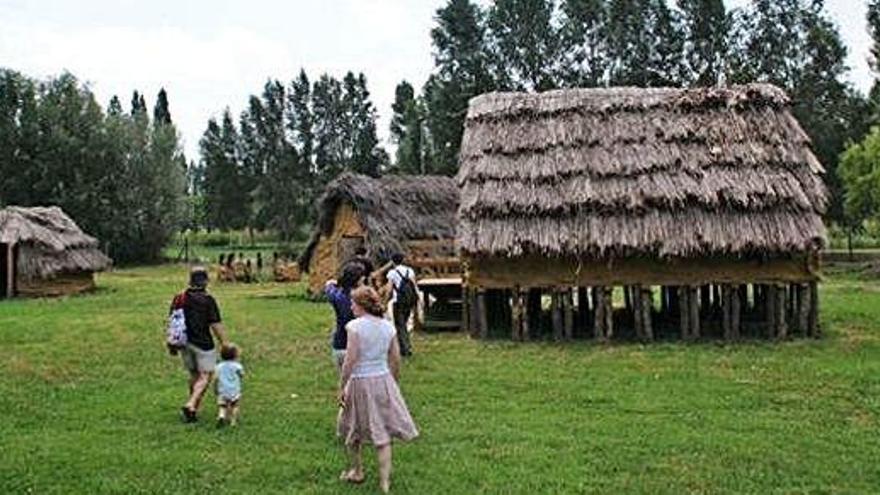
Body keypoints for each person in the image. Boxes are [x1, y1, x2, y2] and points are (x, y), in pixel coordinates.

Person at [337, 286, 418, 493]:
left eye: (353, 303)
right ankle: (385, 483)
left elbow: (350, 359)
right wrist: (393, 382)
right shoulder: (387, 327)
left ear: (362, 305)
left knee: (352, 429)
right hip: (383, 379)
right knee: (383, 435)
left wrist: (342, 384)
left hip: (360, 381)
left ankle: (357, 471)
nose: (351, 306)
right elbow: (396, 358)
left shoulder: (354, 327)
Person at [174, 267, 228, 423]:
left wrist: (171, 343)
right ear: (205, 281)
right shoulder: (208, 300)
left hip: (184, 343)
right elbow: (215, 324)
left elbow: (174, 320)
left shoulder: (180, 298)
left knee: (194, 375)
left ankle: (193, 410)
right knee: (206, 376)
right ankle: (191, 403)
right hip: (203, 344)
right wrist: (224, 343)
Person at [326, 263, 365, 375]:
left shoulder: (337, 296)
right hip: (358, 345)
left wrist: (331, 284)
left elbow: (329, 287)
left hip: (340, 344)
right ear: (358, 281)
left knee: (345, 382)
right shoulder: (362, 299)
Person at [385, 253, 417, 357]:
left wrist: (385, 301)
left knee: (400, 325)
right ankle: (405, 346)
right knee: (405, 322)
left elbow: (389, 289)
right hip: (409, 300)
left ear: (393, 262)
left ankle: (405, 348)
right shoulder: (410, 271)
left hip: (398, 301)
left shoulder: (392, 273)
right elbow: (414, 285)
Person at [215, 343, 244, 427]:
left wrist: (215, 388)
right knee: (235, 405)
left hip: (222, 390)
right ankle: (233, 421)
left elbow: (216, 378)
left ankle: (221, 416)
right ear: (235, 356)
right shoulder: (237, 366)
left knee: (222, 406)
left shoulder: (219, 366)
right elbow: (241, 374)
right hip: (234, 390)